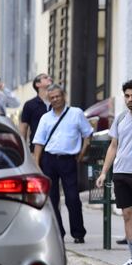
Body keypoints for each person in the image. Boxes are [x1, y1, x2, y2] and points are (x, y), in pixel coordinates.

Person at [96, 80, 132, 265]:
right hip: (120, 172)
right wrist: (104, 173)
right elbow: (113, 146)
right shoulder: (120, 118)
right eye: (127, 95)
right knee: (128, 215)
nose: (130, 99)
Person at [33, 84, 93, 244]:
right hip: (49, 160)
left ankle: (78, 233)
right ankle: (58, 232)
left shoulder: (76, 113)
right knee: (51, 199)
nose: (55, 100)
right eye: (52, 97)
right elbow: (38, 143)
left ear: (64, 96)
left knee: (72, 198)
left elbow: (88, 134)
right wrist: (37, 164)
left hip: (68, 160)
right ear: (49, 99)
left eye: (57, 96)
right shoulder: (45, 118)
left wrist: (82, 153)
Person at [20, 73, 52, 152]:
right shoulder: (30, 104)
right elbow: (24, 127)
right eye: (45, 77)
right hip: (36, 149)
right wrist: (23, 150)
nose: (49, 78)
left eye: (49, 77)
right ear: (37, 84)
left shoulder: (56, 103)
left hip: (55, 149)